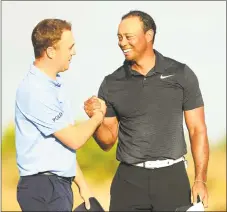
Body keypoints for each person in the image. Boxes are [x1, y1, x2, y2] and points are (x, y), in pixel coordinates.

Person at [84, 10, 209, 211]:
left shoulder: (181, 74)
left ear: (148, 36)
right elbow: (107, 142)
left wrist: (200, 180)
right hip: (129, 181)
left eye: (128, 37)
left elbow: (197, 130)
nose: (122, 42)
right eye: (119, 37)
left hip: (172, 178)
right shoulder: (111, 83)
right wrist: (95, 118)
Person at [15, 19, 105, 211]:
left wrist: (83, 187)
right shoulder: (35, 90)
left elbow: (64, 146)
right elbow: (74, 139)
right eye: (70, 47)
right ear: (50, 51)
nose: (74, 52)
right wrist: (98, 116)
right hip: (42, 188)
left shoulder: (56, 85)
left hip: (60, 185)